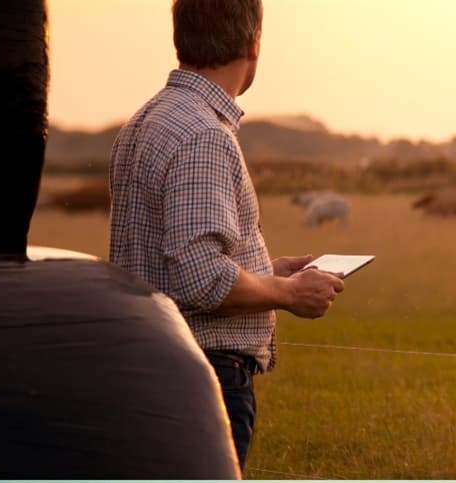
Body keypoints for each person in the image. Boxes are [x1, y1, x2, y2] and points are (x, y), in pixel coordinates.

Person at [108, 0, 345, 471]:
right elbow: (200, 278)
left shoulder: (145, 120)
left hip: (149, 364)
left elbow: (172, 260)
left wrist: (264, 272)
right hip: (203, 374)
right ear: (254, 42)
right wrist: (289, 292)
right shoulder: (203, 134)